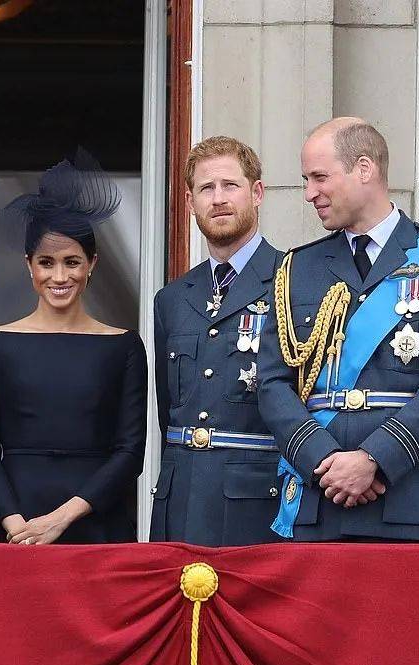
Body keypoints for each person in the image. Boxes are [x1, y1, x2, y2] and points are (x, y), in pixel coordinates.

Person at [257, 117, 419, 542]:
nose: (310, 193)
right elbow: (272, 383)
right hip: (318, 496)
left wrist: (373, 459)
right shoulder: (296, 268)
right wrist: (322, 459)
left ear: (364, 169)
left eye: (319, 177)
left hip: (410, 498)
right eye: (306, 179)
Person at [0, 152, 147, 545]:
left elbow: (130, 453)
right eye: (47, 263)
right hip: (11, 526)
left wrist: (62, 519)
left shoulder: (124, 347)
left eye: (72, 262)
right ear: (28, 265)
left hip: (96, 523)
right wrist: (19, 528)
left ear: (92, 264)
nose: (59, 276)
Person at [149, 136, 284, 546]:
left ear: (256, 193)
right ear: (190, 203)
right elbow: (167, 412)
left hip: (256, 503)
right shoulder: (172, 298)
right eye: (207, 189)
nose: (219, 199)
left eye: (231, 185)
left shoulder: (292, 282)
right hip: (180, 498)